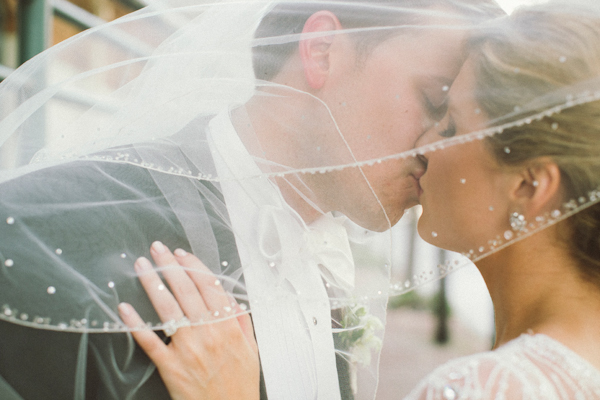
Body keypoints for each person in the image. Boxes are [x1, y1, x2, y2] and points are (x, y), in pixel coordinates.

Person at [0, 1, 503, 399]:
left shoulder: (327, 266)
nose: (440, 147)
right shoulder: (43, 231)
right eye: (436, 101)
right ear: (322, 49)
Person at [119, 0, 600, 398]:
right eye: (435, 103)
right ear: (321, 50)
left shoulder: (488, 387)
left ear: (531, 186)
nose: (429, 145)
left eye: (449, 122)